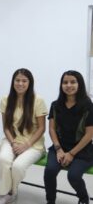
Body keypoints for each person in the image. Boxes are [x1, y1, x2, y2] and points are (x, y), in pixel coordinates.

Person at [0, 69, 47, 204]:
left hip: (33, 144)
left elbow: (42, 128)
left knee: (17, 166)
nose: (20, 84)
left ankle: (9, 191)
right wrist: (13, 143)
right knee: (3, 159)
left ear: (30, 83)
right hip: (12, 139)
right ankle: (8, 192)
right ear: (13, 82)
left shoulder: (38, 101)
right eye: (17, 80)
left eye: (24, 81)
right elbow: (6, 127)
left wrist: (26, 145)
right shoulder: (5, 100)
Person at [44, 70, 93, 204]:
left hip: (82, 150)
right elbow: (52, 129)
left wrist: (71, 154)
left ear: (79, 84)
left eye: (73, 82)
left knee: (74, 176)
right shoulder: (55, 105)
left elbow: (90, 134)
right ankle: (50, 200)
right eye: (65, 82)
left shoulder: (88, 105)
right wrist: (58, 149)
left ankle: (84, 199)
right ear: (61, 85)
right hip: (60, 147)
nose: (69, 85)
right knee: (50, 171)